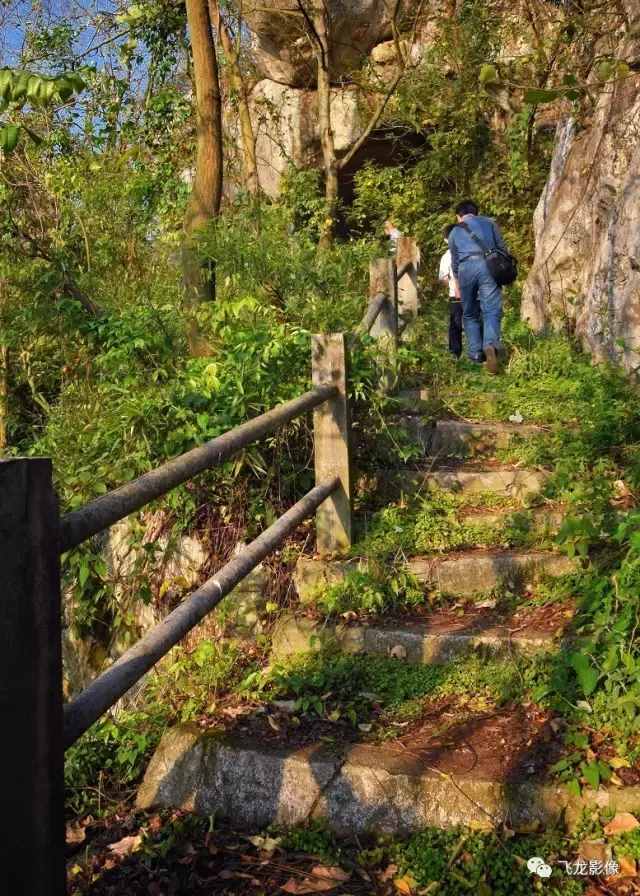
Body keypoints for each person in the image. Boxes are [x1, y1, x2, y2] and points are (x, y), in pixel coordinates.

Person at [447, 199, 510, 374]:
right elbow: (503, 249)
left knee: (469, 312)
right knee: (491, 310)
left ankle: (475, 354)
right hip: (488, 267)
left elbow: (454, 261)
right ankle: (490, 345)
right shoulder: (490, 223)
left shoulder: (454, 231)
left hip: (466, 269)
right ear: (476, 212)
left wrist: (459, 280)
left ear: (459, 216)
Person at [439, 224, 463, 358]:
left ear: (445, 240)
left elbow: (443, 278)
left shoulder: (446, 257)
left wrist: (451, 283)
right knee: (477, 320)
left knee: (455, 324)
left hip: (455, 294)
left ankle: (455, 352)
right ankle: (480, 352)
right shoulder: (471, 251)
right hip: (476, 294)